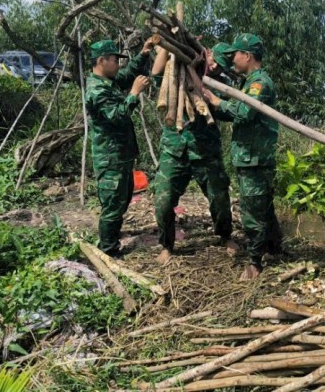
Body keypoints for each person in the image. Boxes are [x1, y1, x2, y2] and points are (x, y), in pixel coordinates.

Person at [201, 33, 281, 281]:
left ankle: (255, 264)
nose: (233, 59)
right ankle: (275, 250)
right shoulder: (249, 82)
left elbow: (245, 112)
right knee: (264, 208)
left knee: (252, 213)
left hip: (254, 159)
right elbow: (236, 114)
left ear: (247, 56)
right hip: (251, 158)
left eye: (235, 54)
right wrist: (216, 105)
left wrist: (216, 100)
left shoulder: (259, 84)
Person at [151, 43, 235, 266]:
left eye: (218, 63)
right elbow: (155, 74)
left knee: (219, 197)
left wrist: (203, 86)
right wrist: (165, 46)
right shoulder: (174, 75)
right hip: (174, 149)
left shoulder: (219, 83)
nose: (215, 64)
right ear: (203, 55)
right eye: (212, 59)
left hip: (206, 151)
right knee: (164, 200)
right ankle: (167, 245)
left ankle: (226, 236)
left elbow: (224, 111)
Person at [84, 38, 154, 257]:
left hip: (121, 155)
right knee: (113, 205)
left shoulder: (109, 81)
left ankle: (112, 237)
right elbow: (117, 116)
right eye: (115, 60)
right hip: (110, 157)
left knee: (121, 201)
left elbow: (127, 74)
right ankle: (108, 251)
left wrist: (143, 53)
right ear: (102, 61)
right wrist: (134, 93)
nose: (118, 64)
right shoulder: (97, 90)